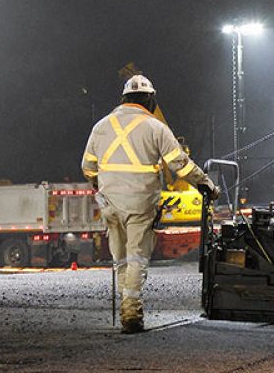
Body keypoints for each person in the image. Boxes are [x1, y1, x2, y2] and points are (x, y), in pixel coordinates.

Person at [81, 75, 218, 333]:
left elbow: (87, 168)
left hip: (110, 205)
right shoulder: (155, 127)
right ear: (149, 99)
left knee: (120, 259)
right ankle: (131, 314)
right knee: (135, 259)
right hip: (140, 205)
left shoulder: (100, 126)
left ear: (123, 99)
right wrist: (206, 184)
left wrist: (105, 185)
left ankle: (126, 305)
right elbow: (180, 164)